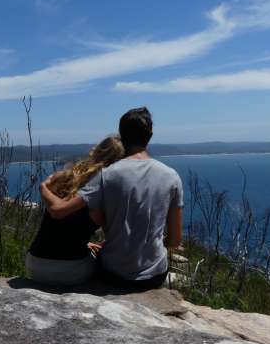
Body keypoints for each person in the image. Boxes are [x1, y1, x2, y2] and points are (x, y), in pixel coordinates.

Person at [40, 107, 183, 290]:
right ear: (151, 134)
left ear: (122, 135)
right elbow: (174, 241)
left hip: (114, 274)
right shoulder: (172, 176)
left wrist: (43, 187)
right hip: (153, 276)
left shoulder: (107, 175)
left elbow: (60, 211)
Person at [26, 136, 125, 287]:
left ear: (97, 151)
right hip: (70, 270)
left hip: (35, 264)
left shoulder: (65, 177)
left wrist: (43, 187)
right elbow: (113, 236)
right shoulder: (104, 190)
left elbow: (64, 227)